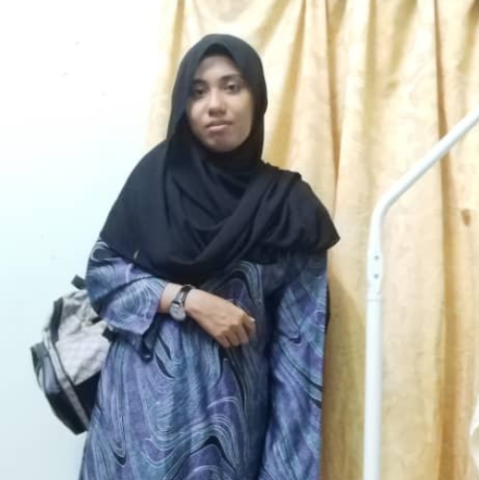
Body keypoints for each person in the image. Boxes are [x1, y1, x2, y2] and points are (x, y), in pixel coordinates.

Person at [78, 34, 339, 480]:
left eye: (231, 87)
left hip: (225, 441)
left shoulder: (288, 208)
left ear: (257, 97)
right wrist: (189, 300)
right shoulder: (155, 180)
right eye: (198, 92)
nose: (214, 105)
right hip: (130, 434)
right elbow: (103, 275)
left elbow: (300, 364)